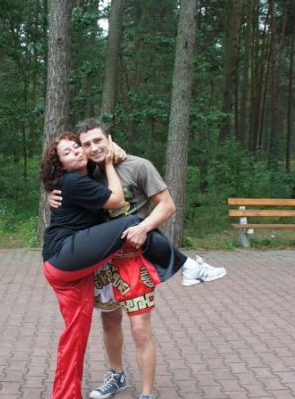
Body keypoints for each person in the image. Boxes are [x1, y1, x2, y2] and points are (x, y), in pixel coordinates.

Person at [48, 119, 227, 399]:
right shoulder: (89, 172)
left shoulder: (138, 166)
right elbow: (63, 179)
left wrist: (143, 228)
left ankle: (146, 393)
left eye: (98, 141)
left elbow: (167, 206)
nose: (92, 148)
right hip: (103, 263)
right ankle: (116, 376)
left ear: (110, 139)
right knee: (109, 324)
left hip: (135, 259)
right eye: (86, 144)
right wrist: (50, 192)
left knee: (140, 330)